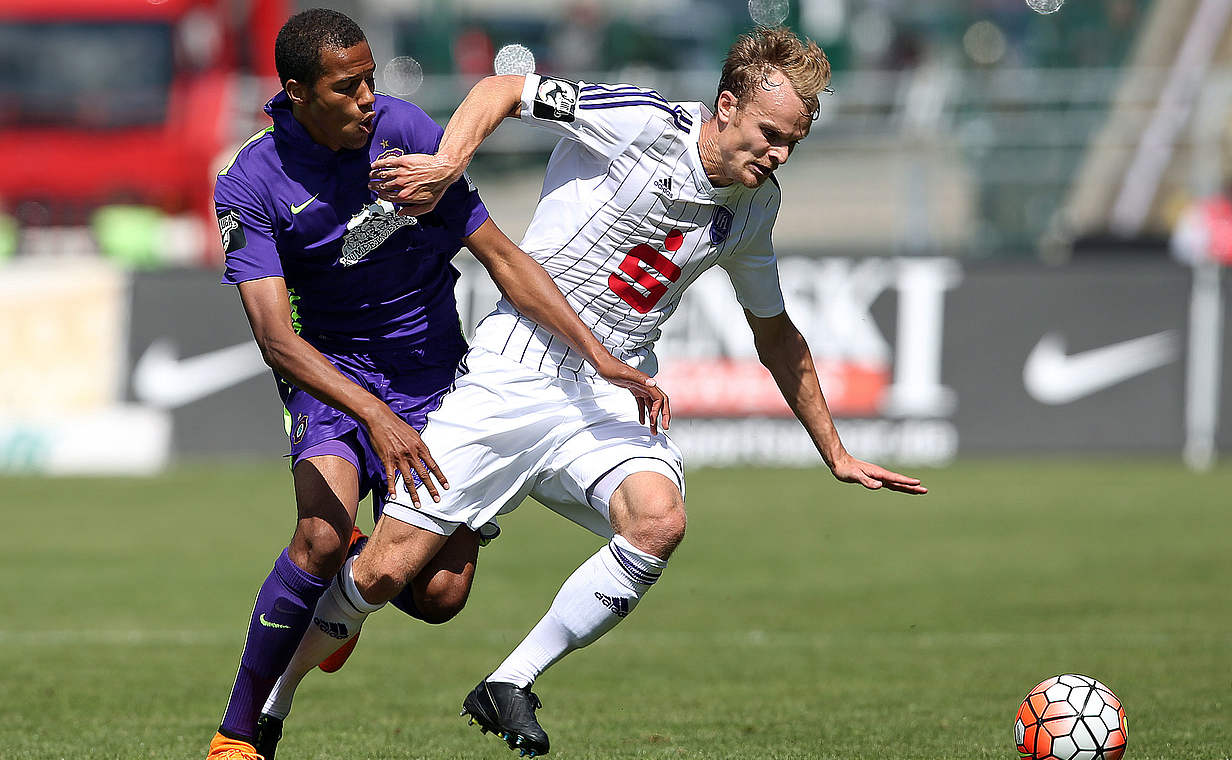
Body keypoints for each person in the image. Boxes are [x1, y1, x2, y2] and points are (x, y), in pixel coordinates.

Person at [269, 26, 928, 757]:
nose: (776, 155)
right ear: (727, 104)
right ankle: (272, 702)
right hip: (515, 366)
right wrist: (447, 165)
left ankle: (509, 683)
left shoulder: (753, 209)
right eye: (770, 134)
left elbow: (777, 336)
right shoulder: (640, 121)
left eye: (792, 144)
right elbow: (503, 89)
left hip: (613, 391)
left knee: (658, 521)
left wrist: (834, 452)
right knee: (398, 575)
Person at [205, 9, 665, 760]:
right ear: (296, 91)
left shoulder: (406, 131)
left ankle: (340, 595)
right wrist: (375, 418)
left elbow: (502, 256)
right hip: (330, 375)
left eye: (370, 81)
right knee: (318, 537)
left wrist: (598, 353)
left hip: (432, 376)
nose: (366, 100)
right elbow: (275, 339)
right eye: (346, 87)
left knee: (441, 597)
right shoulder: (250, 181)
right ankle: (238, 733)